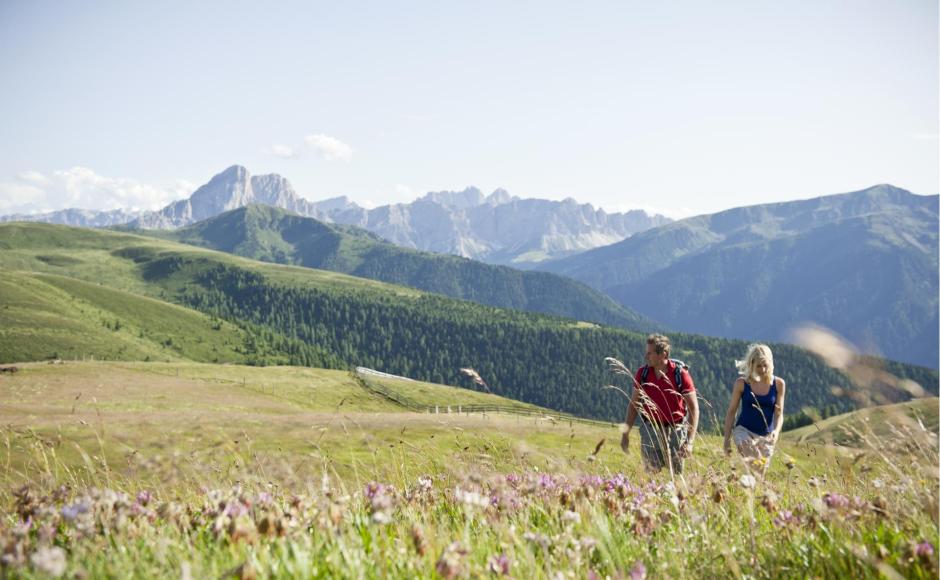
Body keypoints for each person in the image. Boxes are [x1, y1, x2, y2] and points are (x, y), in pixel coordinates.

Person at [620, 334, 700, 475]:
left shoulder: (680, 375)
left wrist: (689, 442)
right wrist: (625, 434)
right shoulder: (642, 374)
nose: (646, 356)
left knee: (676, 478)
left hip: (675, 432)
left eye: (650, 353)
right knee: (650, 477)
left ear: (663, 354)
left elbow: (694, 409)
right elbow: (633, 406)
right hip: (650, 430)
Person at [722, 344, 787, 471]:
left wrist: (776, 432)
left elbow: (779, 413)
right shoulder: (742, 383)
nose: (762, 369)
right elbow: (731, 412)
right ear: (751, 364)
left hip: (766, 436)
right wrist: (726, 440)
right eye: (758, 366)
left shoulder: (779, 384)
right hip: (743, 431)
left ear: (771, 364)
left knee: (758, 474)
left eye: (765, 365)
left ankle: (742, 488)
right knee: (756, 462)